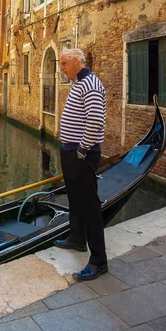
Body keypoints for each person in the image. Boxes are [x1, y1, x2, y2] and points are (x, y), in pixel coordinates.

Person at [54, 48, 108, 281]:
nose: (61, 68)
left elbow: (96, 120)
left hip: (81, 153)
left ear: (76, 61)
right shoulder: (78, 82)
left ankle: (98, 261)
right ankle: (77, 238)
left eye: (64, 63)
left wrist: (83, 150)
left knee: (89, 205)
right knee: (74, 197)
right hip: (70, 151)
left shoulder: (91, 84)